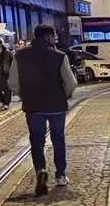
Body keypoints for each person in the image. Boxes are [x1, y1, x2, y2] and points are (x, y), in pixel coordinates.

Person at [9, 24, 78, 196]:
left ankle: (40, 170)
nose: (55, 39)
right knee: (58, 139)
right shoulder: (59, 56)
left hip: (33, 106)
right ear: (48, 37)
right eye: (54, 36)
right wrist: (65, 95)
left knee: (37, 141)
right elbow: (71, 82)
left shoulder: (20, 55)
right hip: (56, 106)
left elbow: (13, 82)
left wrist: (24, 95)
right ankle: (60, 175)